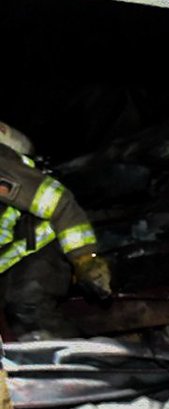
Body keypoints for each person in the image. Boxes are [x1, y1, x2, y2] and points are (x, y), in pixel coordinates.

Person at [0, 122, 112, 339]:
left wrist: (84, 258)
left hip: (41, 243)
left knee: (26, 305)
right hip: (8, 255)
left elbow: (58, 203)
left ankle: (80, 356)